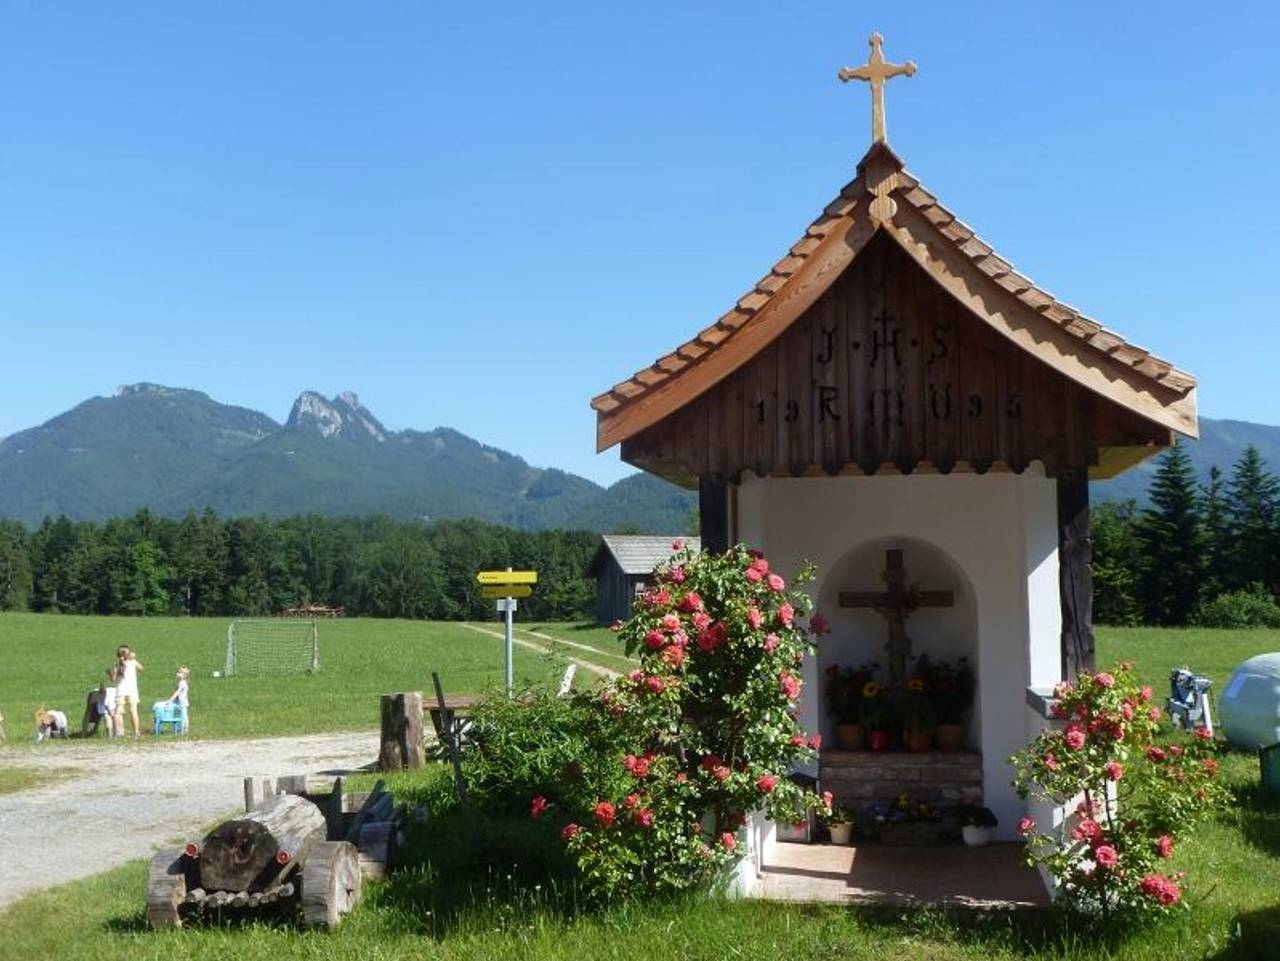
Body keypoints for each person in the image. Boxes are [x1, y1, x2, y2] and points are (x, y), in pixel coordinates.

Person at [116, 645, 144, 739]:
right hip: (123, 690)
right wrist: (129, 659)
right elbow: (121, 670)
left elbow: (141, 668)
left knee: (132, 711)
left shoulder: (132, 661)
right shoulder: (120, 664)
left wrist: (133, 659)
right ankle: (121, 732)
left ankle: (135, 731)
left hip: (130, 690)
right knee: (120, 711)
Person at [166, 666, 191, 733]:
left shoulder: (183, 683)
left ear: (184, 675)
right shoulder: (180, 682)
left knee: (184, 715)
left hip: (183, 702)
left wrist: (170, 700)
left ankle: (184, 728)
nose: (177, 674)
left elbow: (177, 692)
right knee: (180, 715)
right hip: (179, 701)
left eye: (179, 673)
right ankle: (179, 728)